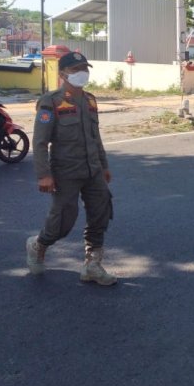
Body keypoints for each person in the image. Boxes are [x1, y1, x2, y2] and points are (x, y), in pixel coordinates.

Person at [27, 51, 117, 285]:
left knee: (101, 212)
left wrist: (104, 165)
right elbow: (39, 141)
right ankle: (39, 244)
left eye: (84, 69)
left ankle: (92, 265)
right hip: (65, 172)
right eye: (76, 70)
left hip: (93, 169)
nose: (82, 74)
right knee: (63, 222)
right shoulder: (51, 101)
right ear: (63, 74)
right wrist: (44, 174)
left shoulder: (90, 100)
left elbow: (96, 137)